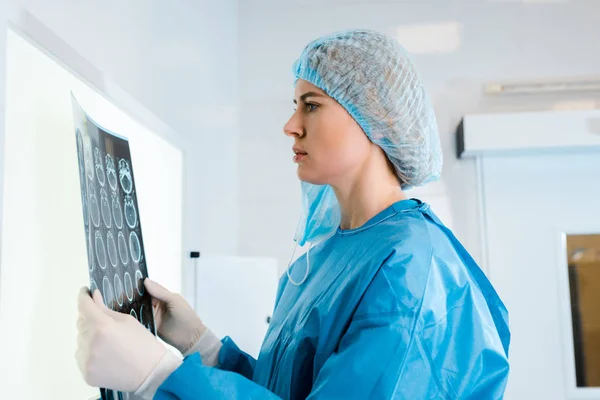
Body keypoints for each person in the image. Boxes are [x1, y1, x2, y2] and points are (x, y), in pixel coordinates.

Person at [76, 29, 510, 399]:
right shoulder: (333, 255)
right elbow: (285, 390)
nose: (291, 124)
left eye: (311, 104)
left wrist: (160, 375)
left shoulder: (413, 270)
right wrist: (203, 347)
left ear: (375, 115)